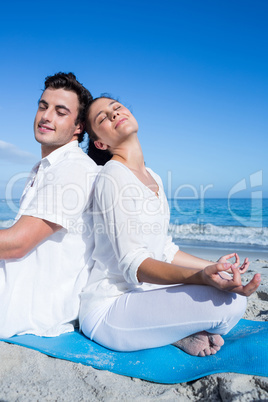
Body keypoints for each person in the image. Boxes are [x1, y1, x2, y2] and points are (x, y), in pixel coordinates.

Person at [79, 96, 261, 357]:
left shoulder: (153, 176)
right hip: (110, 307)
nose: (114, 114)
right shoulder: (112, 175)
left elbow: (164, 249)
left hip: (148, 294)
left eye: (116, 107)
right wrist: (198, 277)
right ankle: (173, 332)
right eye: (103, 118)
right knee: (228, 306)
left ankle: (171, 331)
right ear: (100, 142)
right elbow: (135, 263)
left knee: (232, 295)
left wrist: (216, 268)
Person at [0, 72, 98, 339]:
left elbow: (17, 243)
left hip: (29, 307)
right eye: (43, 106)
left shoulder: (73, 169)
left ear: (79, 127)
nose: (46, 116)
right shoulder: (46, 168)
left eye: (60, 111)